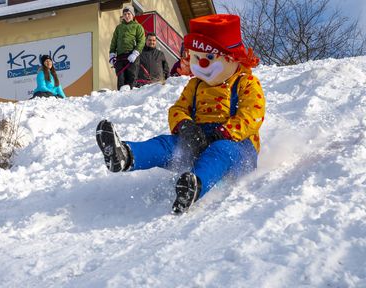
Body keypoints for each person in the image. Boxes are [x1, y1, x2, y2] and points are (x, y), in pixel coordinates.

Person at [96, 14, 264, 214]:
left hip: (237, 148)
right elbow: (178, 109)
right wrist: (185, 126)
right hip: (199, 139)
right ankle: (125, 155)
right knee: (167, 144)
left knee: (220, 151)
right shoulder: (195, 85)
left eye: (209, 58)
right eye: (196, 58)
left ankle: (195, 186)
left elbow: (252, 114)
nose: (201, 64)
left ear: (231, 58)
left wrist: (224, 132)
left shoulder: (245, 83)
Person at [109, 5, 145, 90]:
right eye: (125, 14)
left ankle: (131, 96)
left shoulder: (138, 27)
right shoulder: (119, 28)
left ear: (133, 15)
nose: (127, 16)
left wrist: (135, 53)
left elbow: (141, 41)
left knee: (131, 78)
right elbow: (114, 41)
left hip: (132, 56)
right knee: (121, 79)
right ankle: (120, 99)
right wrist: (112, 54)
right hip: (120, 57)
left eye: (129, 14)